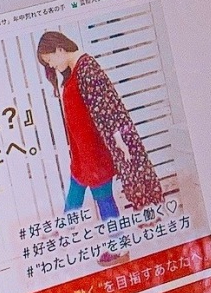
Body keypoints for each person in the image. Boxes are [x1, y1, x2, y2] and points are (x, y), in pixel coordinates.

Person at [36, 30, 163, 223]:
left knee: (101, 201)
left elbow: (108, 108)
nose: (51, 65)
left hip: (94, 154)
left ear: (59, 49)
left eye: (49, 60)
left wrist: (120, 141)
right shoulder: (74, 71)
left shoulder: (87, 69)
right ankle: (67, 234)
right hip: (82, 155)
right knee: (81, 200)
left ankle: (113, 238)